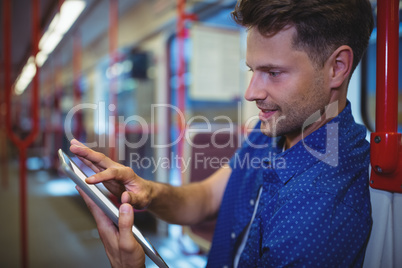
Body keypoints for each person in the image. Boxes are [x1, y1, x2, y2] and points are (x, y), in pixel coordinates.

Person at [70, 0, 374, 267]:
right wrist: (147, 191)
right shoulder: (270, 132)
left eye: (273, 73)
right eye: (252, 70)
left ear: (337, 67)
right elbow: (205, 198)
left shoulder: (316, 214)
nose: (251, 92)